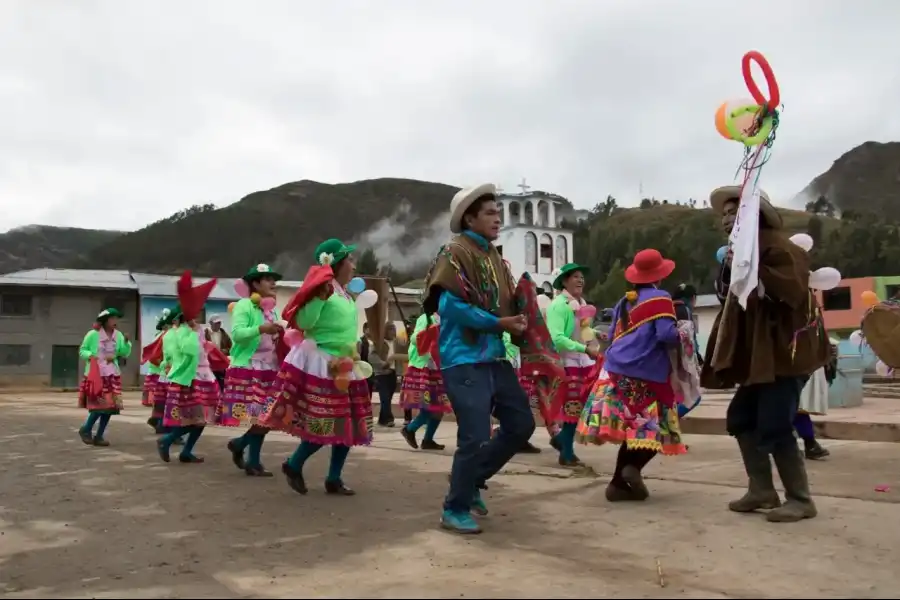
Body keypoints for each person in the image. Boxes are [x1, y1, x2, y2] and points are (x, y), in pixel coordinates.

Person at [704, 185, 831, 523]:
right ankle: (762, 490)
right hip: (760, 358)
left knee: (775, 426)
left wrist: (751, 266)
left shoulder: (780, 248)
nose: (726, 220)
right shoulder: (742, 250)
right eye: (724, 215)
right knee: (742, 419)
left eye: (734, 213)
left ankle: (801, 499)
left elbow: (788, 292)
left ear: (753, 216)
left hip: (784, 356)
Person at [422, 183, 533, 534]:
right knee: (473, 435)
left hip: (494, 356)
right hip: (463, 357)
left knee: (521, 424)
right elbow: (448, 305)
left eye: (498, 212)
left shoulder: (495, 258)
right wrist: (497, 322)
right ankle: (453, 508)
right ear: (469, 218)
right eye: (490, 212)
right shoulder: (454, 252)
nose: (497, 218)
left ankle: (469, 480)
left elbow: (506, 302)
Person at [259, 238, 372, 496]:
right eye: (350, 261)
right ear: (337, 264)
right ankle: (294, 463)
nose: (354, 266)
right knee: (326, 422)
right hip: (323, 363)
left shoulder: (344, 293)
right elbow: (304, 321)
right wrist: (320, 297)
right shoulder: (323, 290)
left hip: (346, 364)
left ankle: (334, 478)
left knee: (348, 424)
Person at [577, 249, 686, 502]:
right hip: (645, 373)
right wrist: (683, 332)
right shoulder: (661, 298)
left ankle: (618, 485)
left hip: (614, 370)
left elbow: (616, 333)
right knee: (657, 430)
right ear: (659, 276)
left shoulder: (624, 301)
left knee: (635, 431)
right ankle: (631, 470)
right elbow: (666, 336)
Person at [217, 264, 284, 476]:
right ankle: (251, 459)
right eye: (267, 279)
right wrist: (261, 328)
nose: (273, 283)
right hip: (249, 367)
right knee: (261, 418)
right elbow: (237, 334)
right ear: (255, 283)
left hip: (269, 368)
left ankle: (242, 447)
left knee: (266, 417)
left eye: (274, 279)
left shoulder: (271, 308)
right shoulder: (244, 305)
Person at [156, 274, 219, 464]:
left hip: (203, 376)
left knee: (202, 419)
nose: (200, 314)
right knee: (195, 419)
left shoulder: (195, 330)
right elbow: (187, 351)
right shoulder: (180, 332)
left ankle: (186, 451)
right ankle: (166, 440)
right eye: (197, 310)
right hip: (190, 379)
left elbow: (199, 351)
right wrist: (193, 334)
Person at [544, 263, 601, 467]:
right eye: (575, 276)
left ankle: (562, 442)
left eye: (582, 277)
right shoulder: (559, 305)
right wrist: (585, 349)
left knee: (582, 408)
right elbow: (557, 338)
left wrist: (595, 334)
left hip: (583, 361)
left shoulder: (581, 303)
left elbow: (582, 331)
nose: (580, 280)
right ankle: (566, 452)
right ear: (565, 281)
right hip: (568, 362)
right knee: (572, 408)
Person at [77, 308, 133, 446]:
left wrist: (126, 342)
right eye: (112, 318)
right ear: (105, 320)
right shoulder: (93, 334)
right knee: (98, 407)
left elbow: (124, 353)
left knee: (110, 408)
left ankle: (99, 436)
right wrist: (92, 356)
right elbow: (82, 350)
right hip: (97, 375)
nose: (115, 321)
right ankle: (86, 429)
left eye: (116, 318)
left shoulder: (118, 335)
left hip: (112, 375)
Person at [400, 313, 451, 450]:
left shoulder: (449, 317)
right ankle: (410, 429)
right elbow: (414, 338)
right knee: (430, 406)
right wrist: (431, 334)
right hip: (424, 366)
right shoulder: (426, 318)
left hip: (439, 367)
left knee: (439, 406)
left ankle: (428, 439)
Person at [794, 341, 838, 460]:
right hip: (798, 368)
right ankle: (808, 445)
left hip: (805, 367)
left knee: (797, 409)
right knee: (795, 409)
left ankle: (809, 445)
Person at [672, 283, 703, 419]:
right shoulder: (685, 310)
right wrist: (695, 366)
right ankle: (668, 422)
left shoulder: (668, 308)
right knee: (693, 398)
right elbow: (688, 341)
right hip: (680, 364)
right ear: (692, 298)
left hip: (664, 363)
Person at [370, 322, 406, 426]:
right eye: (390, 329)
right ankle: (389, 419)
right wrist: (382, 364)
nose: (392, 332)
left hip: (393, 373)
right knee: (384, 397)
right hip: (381, 374)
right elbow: (372, 356)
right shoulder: (379, 343)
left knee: (388, 398)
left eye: (394, 329)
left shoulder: (396, 343)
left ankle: (382, 419)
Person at [205, 314, 232, 391]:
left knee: (221, 382)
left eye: (219, 323)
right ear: (210, 323)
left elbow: (230, 347)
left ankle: (221, 397)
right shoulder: (205, 333)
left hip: (220, 362)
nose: (218, 325)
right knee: (210, 383)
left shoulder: (223, 334)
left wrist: (223, 351)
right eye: (216, 323)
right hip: (209, 363)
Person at [358, 322, 375, 398]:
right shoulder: (360, 341)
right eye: (369, 328)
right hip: (363, 370)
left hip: (373, 371)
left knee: (369, 393)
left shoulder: (375, 342)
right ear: (364, 329)